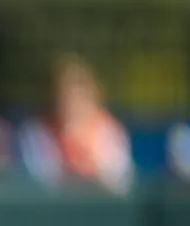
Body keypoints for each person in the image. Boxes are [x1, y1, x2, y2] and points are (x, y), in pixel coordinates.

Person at [18, 55, 134, 194]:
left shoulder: (109, 130)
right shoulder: (35, 131)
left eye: (78, 95)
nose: (71, 102)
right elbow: (41, 182)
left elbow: (120, 182)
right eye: (64, 95)